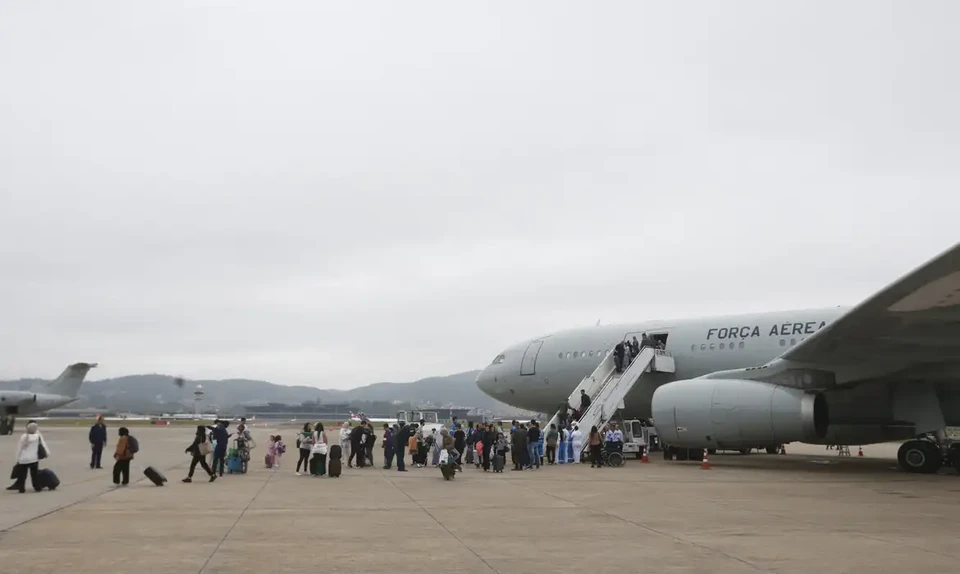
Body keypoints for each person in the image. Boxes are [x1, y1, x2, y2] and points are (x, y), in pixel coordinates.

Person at [8, 421, 49, 493]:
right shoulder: (37, 436)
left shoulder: (24, 436)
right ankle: (37, 487)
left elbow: (19, 448)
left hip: (23, 459)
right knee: (34, 475)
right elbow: (42, 444)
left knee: (22, 476)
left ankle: (21, 489)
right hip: (34, 459)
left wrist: (17, 458)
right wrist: (47, 453)